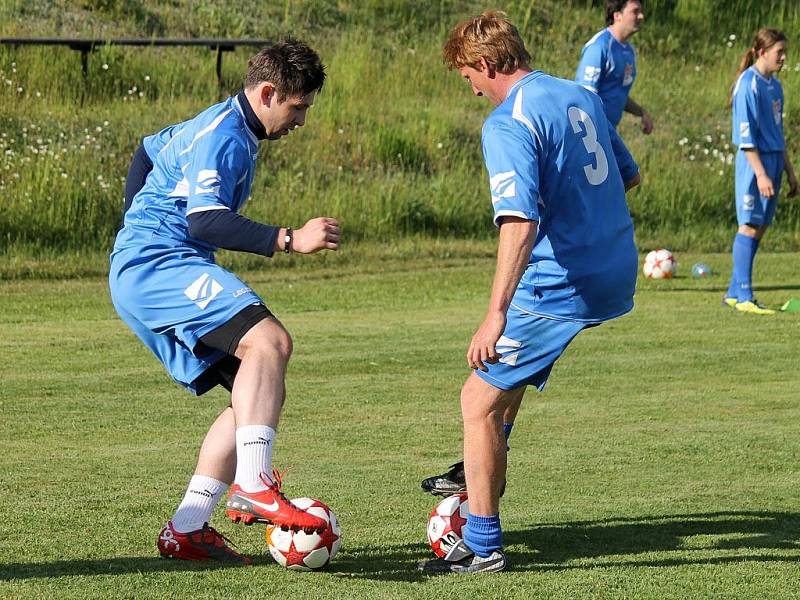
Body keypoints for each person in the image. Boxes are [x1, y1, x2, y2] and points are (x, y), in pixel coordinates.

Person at [418, 11, 640, 574]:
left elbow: (518, 222)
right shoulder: (577, 93)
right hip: (614, 265)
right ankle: (477, 467)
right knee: (500, 389)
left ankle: (483, 545)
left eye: (468, 73)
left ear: (488, 64)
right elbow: (628, 174)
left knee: (477, 400)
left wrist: (494, 314)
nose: (468, 85)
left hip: (564, 282)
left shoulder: (506, 122)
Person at [109, 38, 341, 564]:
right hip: (159, 265)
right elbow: (205, 220)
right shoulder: (226, 137)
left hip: (149, 266)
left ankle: (187, 526)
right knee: (271, 342)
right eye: (298, 106)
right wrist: (288, 238)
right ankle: (255, 484)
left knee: (254, 394)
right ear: (267, 92)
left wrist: (130, 227)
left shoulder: (214, 123)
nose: (301, 120)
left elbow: (147, 150)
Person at [723, 28, 798, 315]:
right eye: (779, 52)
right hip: (755, 164)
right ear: (762, 52)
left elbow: (776, 133)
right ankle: (745, 297)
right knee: (749, 225)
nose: (783, 57)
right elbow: (745, 138)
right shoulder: (748, 84)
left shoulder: (774, 85)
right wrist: (761, 174)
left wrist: (790, 172)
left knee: (761, 226)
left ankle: (733, 292)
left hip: (775, 161)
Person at [575, 0, 652, 135]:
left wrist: (641, 112)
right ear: (617, 16)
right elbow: (584, 97)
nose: (641, 16)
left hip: (609, 133)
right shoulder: (599, 47)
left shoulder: (629, 51)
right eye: (635, 11)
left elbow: (618, 94)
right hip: (590, 134)